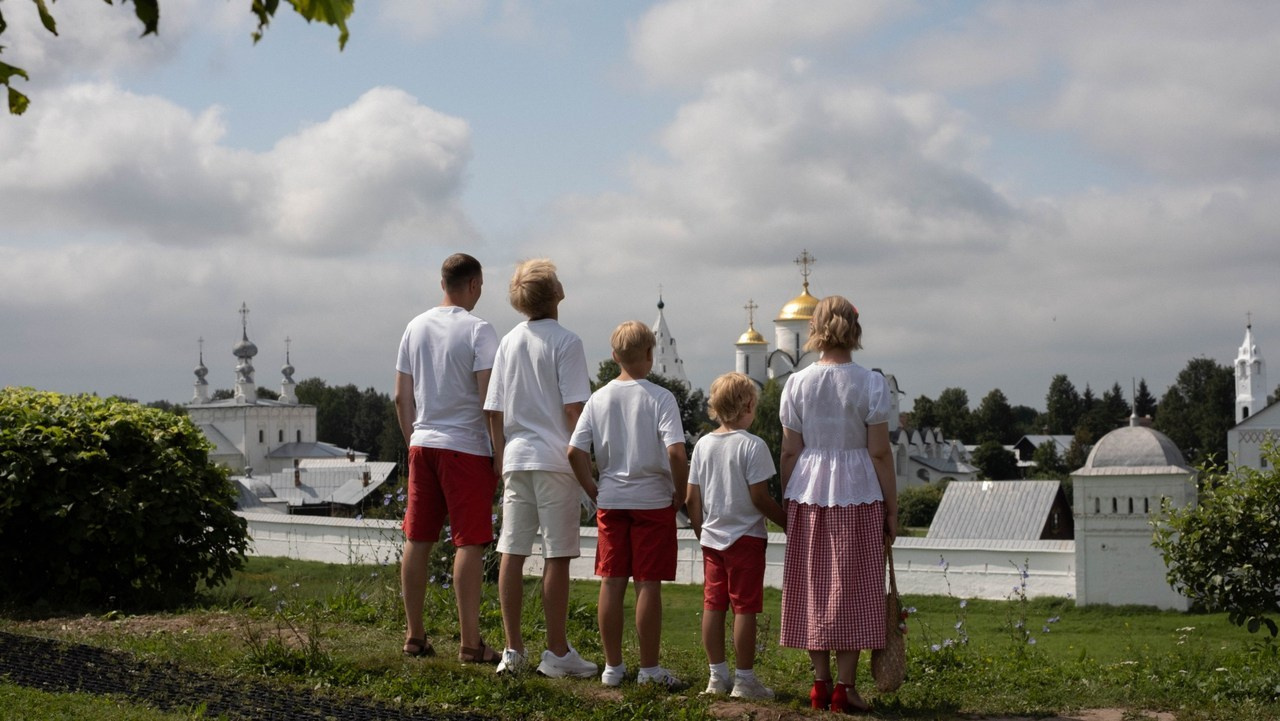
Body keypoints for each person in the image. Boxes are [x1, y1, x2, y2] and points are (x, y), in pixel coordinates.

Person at [777, 296, 897, 713]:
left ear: (814, 329)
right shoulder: (871, 383)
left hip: (808, 491)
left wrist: (788, 496)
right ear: (855, 330)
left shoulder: (797, 383)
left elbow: (789, 451)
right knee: (854, 586)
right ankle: (845, 687)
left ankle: (820, 683)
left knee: (813, 583)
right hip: (859, 490)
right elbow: (879, 452)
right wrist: (892, 507)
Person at [483, 258, 598, 678]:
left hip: (516, 459)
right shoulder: (567, 342)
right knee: (558, 554)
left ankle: (512, 650)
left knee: (511, 552)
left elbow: (493, 410)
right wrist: (588, 462)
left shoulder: (509, 341)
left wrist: (500, 458)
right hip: (555, 461)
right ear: (556, 294)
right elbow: (574, 410)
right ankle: (557, 651)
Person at [567, 321, 688, 689]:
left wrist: (593, 488)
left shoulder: (598, 398)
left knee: (611, 581)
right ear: (650, 354)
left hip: (611, 500)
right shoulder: (661, 398)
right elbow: (676, 453)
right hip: (653, 501)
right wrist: (680, 492)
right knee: (647, 584)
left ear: (614, 356)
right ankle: (649, 669)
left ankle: (612, 667)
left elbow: (574, 452)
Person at [394, 252, 502, 665]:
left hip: (423, 444)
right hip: (467, 447)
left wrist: (414, 442)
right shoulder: (480, 330)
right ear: (473, 284)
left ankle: (414, 635)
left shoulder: (414, 327)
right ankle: (470, 643)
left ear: (443, 283)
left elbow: (401, 397)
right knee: (469, 542)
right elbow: (489, 400)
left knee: (417, 539)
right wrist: (497, 451)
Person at [685, 372, 786, 699]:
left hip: (712, 539)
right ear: (750, 404)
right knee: (745, 608)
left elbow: (691, 498)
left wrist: (702, 532)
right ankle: (744, 680)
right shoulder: (753, 446)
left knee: (713, 605)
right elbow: (760, 498)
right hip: (746, 538)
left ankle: (717, 677)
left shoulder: (703, 445)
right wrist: (788, 522)